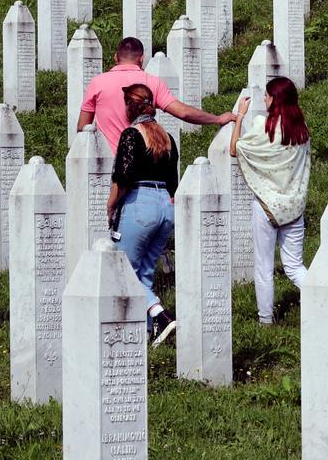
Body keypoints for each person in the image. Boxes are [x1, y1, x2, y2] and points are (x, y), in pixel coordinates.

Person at [229, 77, 311, 325]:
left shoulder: (261, 125)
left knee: (264, 267)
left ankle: (265, 319)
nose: (264, 99)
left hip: (266, 206)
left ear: (275, 99)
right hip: (294, 206)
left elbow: (236, 149)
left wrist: (239, 117)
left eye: (267, 95)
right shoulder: (301, 130)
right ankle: (325, 297)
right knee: (295, 267)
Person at [106, 83, 180, 347]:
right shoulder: (166, 137)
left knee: (125, 270)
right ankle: (149, 331)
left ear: (129, 107)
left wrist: (111, 205)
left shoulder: (131, 135)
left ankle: (160, 315)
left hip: (140, 203)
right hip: (166, 207)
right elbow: (174, 182)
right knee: (146, 271)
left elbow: (124, 177)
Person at [78, 37, 237, 152]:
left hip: (108, 166)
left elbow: (82, 128)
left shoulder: (97, 83)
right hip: (143, 164)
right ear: (141, 59)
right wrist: (217, 119)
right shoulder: (152, 82)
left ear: (115, 57)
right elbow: (184, 112)